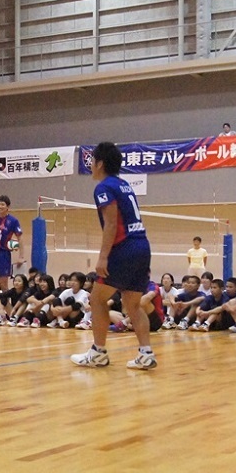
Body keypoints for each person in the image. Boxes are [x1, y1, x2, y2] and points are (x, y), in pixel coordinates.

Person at [70, 141, 157, 370]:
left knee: (97, 299)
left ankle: (98, 352)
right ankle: (146, 353)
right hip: (142, 246)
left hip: (123, 248)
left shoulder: (104, 187)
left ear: (100, 163)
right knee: (133, 304)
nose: (90, 165)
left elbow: (111, 224)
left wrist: (102, 257)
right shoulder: (124, 185)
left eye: (92, 161)